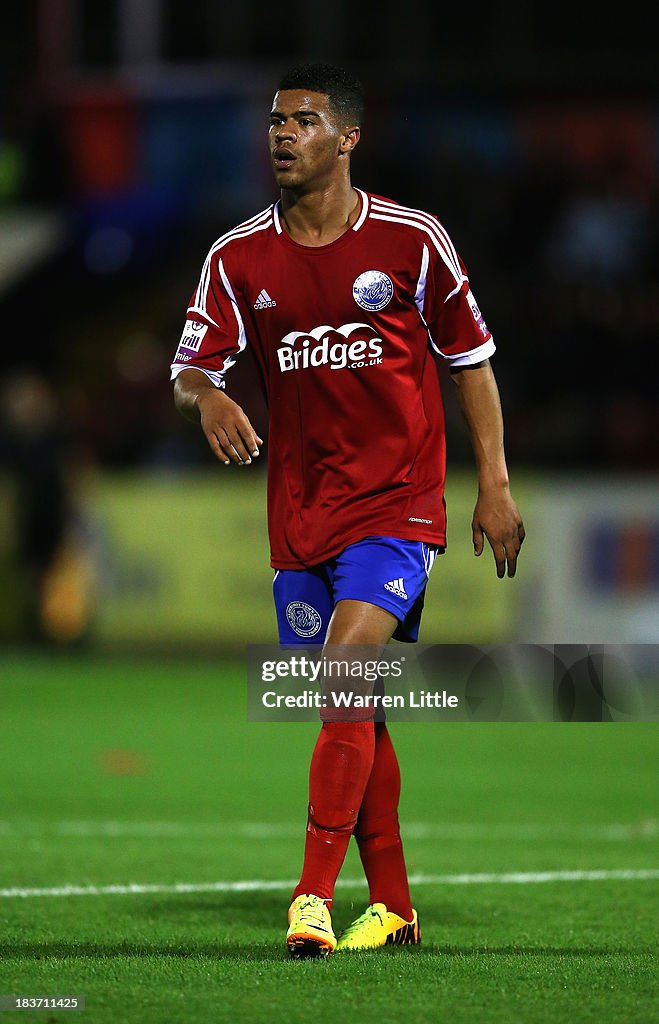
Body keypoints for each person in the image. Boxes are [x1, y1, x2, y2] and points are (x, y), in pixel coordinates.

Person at [171, 63, 525, 958]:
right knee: (354, 708)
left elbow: (470, 361)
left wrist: (492, 483)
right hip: (299, 516)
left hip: (397, 505)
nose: (281, 135)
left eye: (303, 120)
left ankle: (311, 897)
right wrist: (206, 396)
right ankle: (396, 905)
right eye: (275, 122)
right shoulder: (237, 255)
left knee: (344, 672)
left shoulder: (413, 241)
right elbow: (189, 368)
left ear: (347, 138)